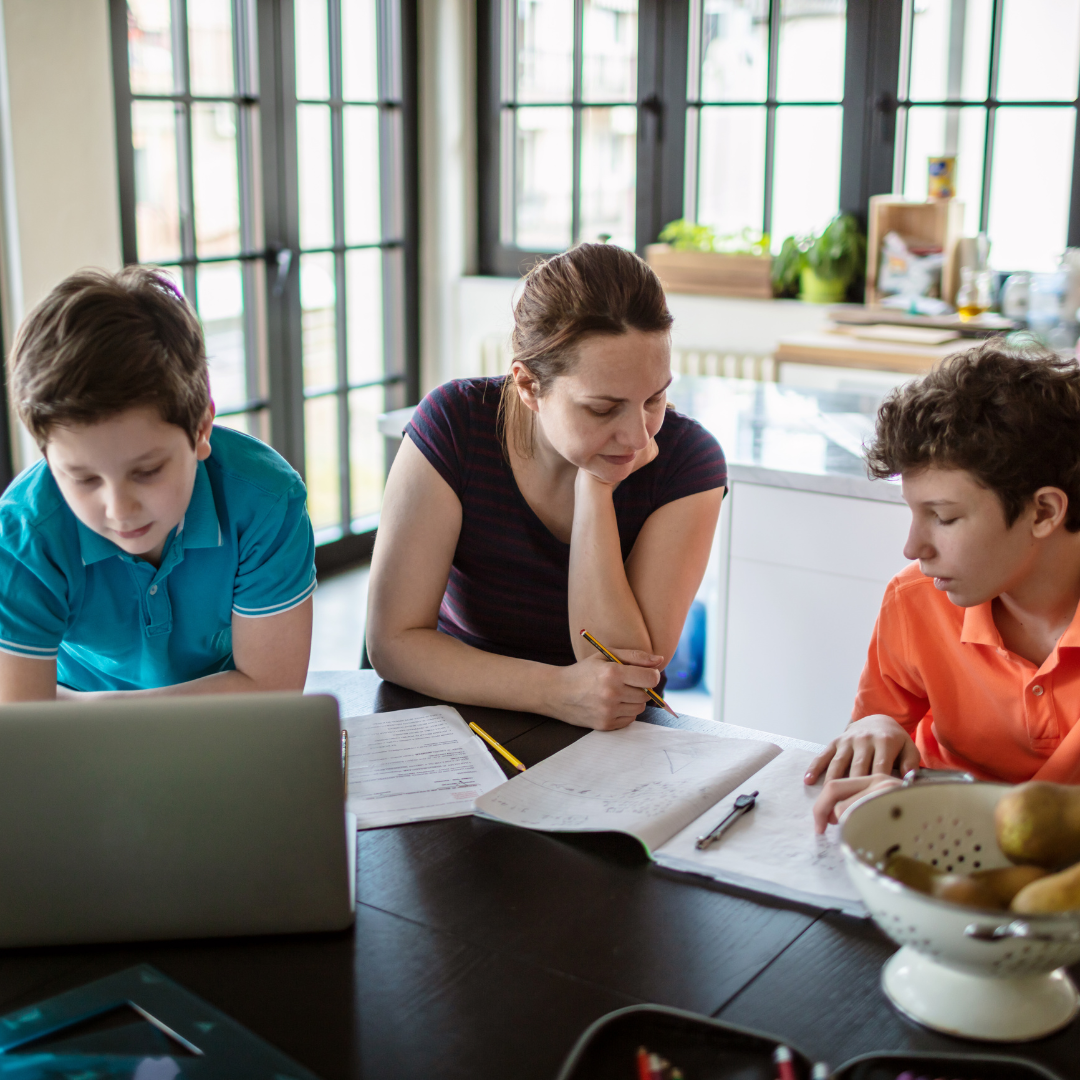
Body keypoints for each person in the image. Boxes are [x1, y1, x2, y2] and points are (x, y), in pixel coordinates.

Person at [367, 243, 726, 728]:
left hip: (613, 740)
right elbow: (393, 642)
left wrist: (596, 489)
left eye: (655, 399)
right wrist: (553, 691)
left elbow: (623, 673)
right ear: (528, 386)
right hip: (458, 720)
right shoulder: (455, 424)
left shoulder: (688, 463)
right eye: (603, 408)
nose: (639, 436)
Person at [0, 266, 316, 701]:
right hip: (82, 748)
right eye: (83, 478)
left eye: (146, 471)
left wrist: (76, 713)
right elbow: (24, 728)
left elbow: (272, 689)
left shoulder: (265, 502)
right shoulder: (22, 537)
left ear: (202, 428)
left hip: (220, 732)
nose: (119, 509)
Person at [806, 340, 1080, 831]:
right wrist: (875, 731)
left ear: (1043, 512)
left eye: (944, 517)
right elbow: (880, 732)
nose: (913, 548)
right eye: (913, 512)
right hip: (939, 842)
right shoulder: (915, 599)